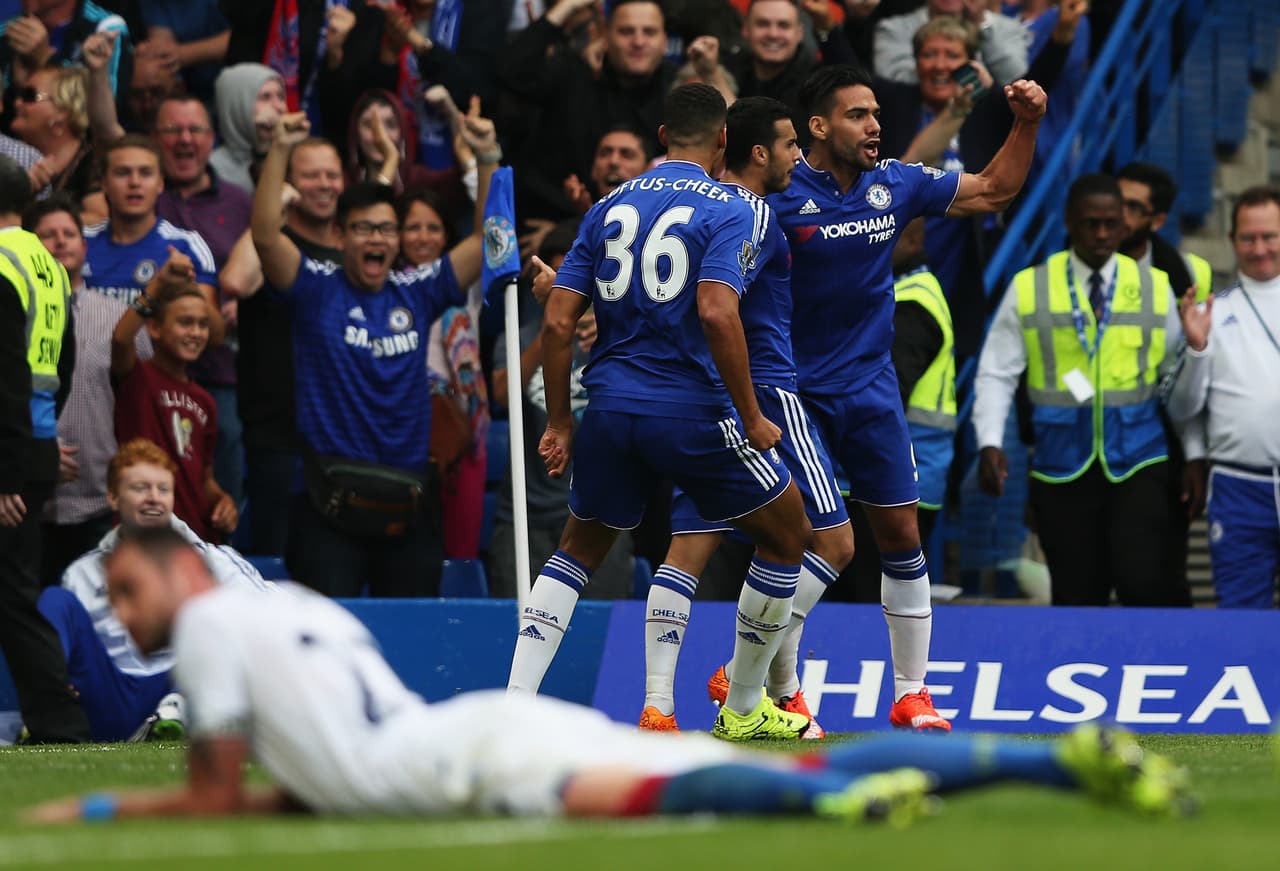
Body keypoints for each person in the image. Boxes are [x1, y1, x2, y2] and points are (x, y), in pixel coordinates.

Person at [22, 524, 1193, 823]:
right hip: (456, 737)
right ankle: (1055, 763)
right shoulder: (287, 602)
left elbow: (221, 793)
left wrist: (108, 801)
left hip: (462, 763)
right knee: (693, 768)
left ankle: (825, 801)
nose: (129, 620)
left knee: (663, 795)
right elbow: (314, 779)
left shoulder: (215, 630)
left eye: (127, 594)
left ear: (174, 570)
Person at [506, 83, 816, 742]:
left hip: (612, 408)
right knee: (789, 532)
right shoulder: (740, 207)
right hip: (692, 411)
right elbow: (715, 308)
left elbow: (559, 320)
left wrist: (561, 421)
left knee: (578, 547)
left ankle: (514, 702)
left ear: (663, 136)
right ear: (724, 139)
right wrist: (751, 414)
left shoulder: (608, 206)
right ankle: (743, 706)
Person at [769, 64, 1044, 730]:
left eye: (875, 114)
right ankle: (771, 679)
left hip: (870, 390)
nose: (874, 125)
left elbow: (995, 190)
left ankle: (913, 692)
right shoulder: (773, 195)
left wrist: (1027, 122)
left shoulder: (894, 182)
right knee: (805, 542)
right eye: (857, 115)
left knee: (901, 534)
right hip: (794, 393)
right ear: (817, 126)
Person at [620, 96, 852, 737]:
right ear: (756, 152)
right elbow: (718, 307)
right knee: (831, 541)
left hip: (697, 398)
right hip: (765, 393)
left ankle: (658, 706)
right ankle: (743, 681)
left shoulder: (683, 208)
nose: (798, 158)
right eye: (787, 146)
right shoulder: (749, 214)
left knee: (690, 545)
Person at [249, 105, 493, 597]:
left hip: (407, 503)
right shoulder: (315, 286)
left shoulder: (416, 290)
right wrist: (279, 151)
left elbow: (487, 242)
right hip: (327, 503)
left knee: (410, 647)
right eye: (363, 228)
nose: (376, 238)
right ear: (339, 236)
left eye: (386, 229)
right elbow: (265, 235)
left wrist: (486, 160)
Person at [973, 174, 1186, 606]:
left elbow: (1176, 381)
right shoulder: (1029, 286)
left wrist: (1196, 453)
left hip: (1139, 457)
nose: (1102, 234)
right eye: (1091, 223)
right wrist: (990, 441)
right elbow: (997, 371)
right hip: (1060, 462)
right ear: (1069, 221)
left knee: (1142, 581)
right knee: (1076, 592)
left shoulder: (1154, 286)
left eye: (1111, 223)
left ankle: (1141, 669)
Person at [41, 438, 269, 741]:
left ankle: (171, 719)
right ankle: (46, 711)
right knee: (55, 601)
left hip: (183, 686)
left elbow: (268, 618)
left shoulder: (212, 559)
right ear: (113, 497)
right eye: (139, 488)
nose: (153, 498)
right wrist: (59, 677)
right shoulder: (82, 572)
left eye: (163, 489)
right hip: (112, 692)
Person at [490, 226, 635, 601]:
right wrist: (555, 330)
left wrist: (606, 333)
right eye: (556, 279)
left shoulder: (619, 333)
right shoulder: (520, 333)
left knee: (599, 641)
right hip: (526, 517)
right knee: (521, 636)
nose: (565, 287)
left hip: (600, 513)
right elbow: (503, 396)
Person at [0, 153, 90, 744]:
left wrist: (4, 474)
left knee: (13, 597)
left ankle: (60, 717)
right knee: (13, 592)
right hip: (29, 446)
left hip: (7, 459)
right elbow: (63, 362)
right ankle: (58, 717)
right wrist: (36, 442)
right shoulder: (47, 264)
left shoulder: (3, 265)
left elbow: (5, 372)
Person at [221, 134, 344, 556]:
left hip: (341, 440)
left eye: (332, 174)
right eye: (310, 176)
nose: (324, 184)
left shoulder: (354, 253)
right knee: (275, 561)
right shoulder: (274, 250)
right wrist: (278, 204)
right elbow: (236, 280)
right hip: (279, 438)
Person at [25, 195, 151, 585]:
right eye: (47, 235)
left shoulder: (118, 318)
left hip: (99, 501)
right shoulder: (12, 312)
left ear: (84, 245)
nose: (60, 241)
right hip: (25, 499)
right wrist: (37, 453)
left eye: (69, 233)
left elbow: (140, 398)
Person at [1167, 185, 1280, 608]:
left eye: (1270, 236)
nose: (1260, 248)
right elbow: (1184, 409)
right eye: (1249, 238)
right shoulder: (1214, 314)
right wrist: (1196, 348)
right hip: (1239, 486)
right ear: (1232, 241)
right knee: (1242, 618)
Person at [151, 95, 254, 507]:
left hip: (218, 368)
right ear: (157, 138)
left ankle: (219, 557)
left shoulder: (239, 201)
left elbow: (261, 264)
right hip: (146, 367)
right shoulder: (141, 191)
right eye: (173, 130)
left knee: (223, 461)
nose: (184, 139)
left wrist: (248, 302)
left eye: (195, 130)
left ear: (212, 139)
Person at [500, 0, 675, 220]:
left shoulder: (678, 90)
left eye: (649, 32)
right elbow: (512, 73)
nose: (638, 41)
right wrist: (567, 7)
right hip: (551, 224)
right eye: (626, 32)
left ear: (665, 41)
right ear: (605, 36)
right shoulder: (574, 73)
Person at [111, 251, 237, 543]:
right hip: (142, 532)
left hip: (195, 538)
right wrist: (158, 284)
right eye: (185, 322)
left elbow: (204, 478)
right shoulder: (137, 377)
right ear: (154, 328)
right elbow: (120, 338)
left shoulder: (205, 400)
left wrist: (222, 500)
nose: (195, 332)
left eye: (202, 324)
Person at [83, 135, 224, 346]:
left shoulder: (186, 246)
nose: (134, 182)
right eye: (123, 173)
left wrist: (190, 286)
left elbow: (214, 336)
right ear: (104, 183)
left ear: (160, 184)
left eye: (145, 173)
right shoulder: (79, 243)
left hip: (154, 375)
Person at [726, 0, 858, 141]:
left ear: (799, 33)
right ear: (745, 29)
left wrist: (827, 28)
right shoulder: (730, 72)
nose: (773, 34)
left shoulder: (816, 86)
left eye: (783, 25)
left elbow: (853, 83)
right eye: (763, 24)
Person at [874, 0, 1029, 86]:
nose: (941, 65)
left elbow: (1016, 80)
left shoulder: (1009, 28)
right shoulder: (894, 29)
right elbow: (892, 83)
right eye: (929, 54)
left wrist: (980, 24)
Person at [207, 64, 287, 195]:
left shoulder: (291, 157)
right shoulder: (213, 170)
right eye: (265, 97)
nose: (279, 107)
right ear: (238, 105)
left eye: (281, 96)